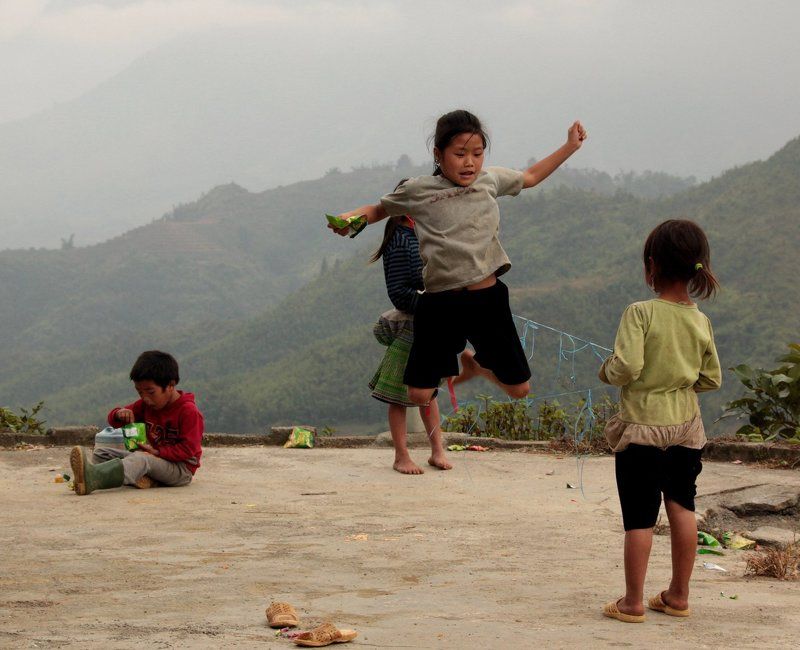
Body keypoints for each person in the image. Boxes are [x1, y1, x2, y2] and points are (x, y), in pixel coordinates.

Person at [330, 109, 587, 405]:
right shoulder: (418, 190)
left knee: (520, 390)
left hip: (486, 301)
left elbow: (530, 177)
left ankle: (478, 366)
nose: (470, 163)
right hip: (439, 303)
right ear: (439, 154)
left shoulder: (490, 180)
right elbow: (378, 210)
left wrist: (570, 146)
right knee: (418, 394)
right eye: (460, 154)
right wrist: (350, 220)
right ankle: (465, 365)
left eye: (478, 154)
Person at [599, 219, 722, 623]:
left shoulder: (640, 314)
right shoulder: (699, 320)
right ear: (696, 268)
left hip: (642, 429)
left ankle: (633, 602)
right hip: (687, 427)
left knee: (639, 517)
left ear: (651, 265)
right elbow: (711, 378)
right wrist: (679, 383)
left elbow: (627, 365)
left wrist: (607, 372)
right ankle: (677, 596)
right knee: (682, 507)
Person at [368, 203, 451, 474]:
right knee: (398, 394)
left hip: (430, 325)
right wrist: (433, 304)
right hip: (411, 327)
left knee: (429, 392)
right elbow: (400, 293)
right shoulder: (401, 241)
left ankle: (437, 451)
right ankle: (401, 456)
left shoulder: (420, 236)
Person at [70, 350, 204, 495]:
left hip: (180, 469)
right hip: (154, 459)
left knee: (141, 459)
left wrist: (158, 452)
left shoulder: (189, 411)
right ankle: (142, 477)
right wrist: (119, 414)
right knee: (102, 453)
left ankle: (94, 479)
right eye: (140, 392)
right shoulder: (145, 405)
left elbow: (188, 449)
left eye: (151, 392)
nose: (145, 398)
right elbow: (113, 420)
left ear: (170, 385)